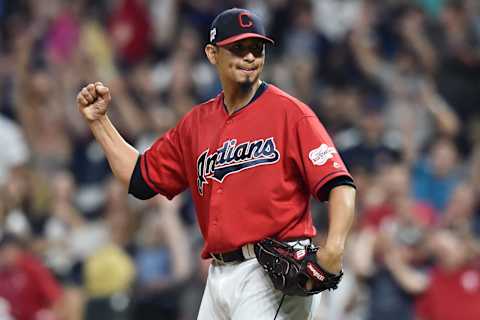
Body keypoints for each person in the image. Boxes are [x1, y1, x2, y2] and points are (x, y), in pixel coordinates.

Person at [76, 8, 356, 320]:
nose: (249, 56)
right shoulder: (196, 123)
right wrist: (100, 123)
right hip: (218, 274)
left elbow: (339, 183)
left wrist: (335, 248)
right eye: (238, 48)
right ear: (212, 54)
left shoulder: (291, 113)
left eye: (256, 48)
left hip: (273, 272)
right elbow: (139, 178)